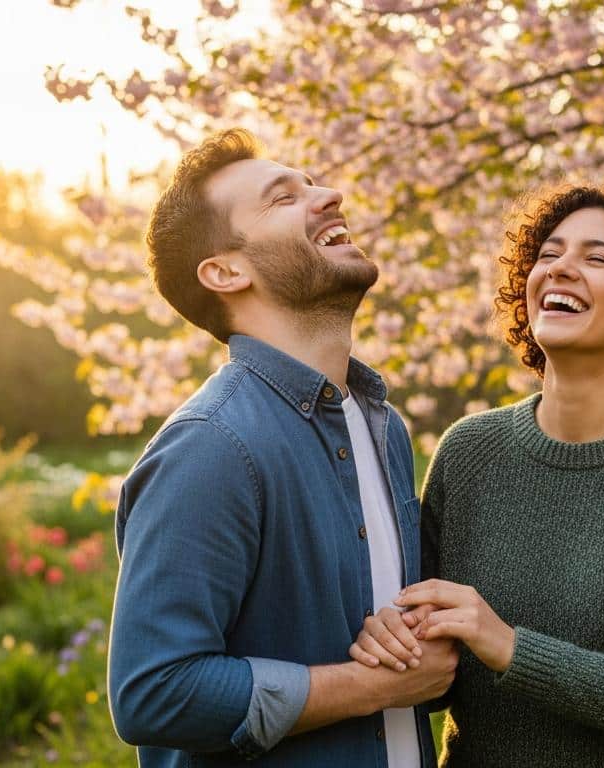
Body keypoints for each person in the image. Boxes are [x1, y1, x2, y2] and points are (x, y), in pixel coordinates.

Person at [353, 187, 604, 766]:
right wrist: (392, 642)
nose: (561, 267)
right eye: (549, 254)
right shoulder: (469, 451)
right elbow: (435, 674)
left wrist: (510, 648)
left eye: (598, 258)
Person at [107, 128, 455, 767]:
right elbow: (152, 692)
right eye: (283, 198)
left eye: (312, 182)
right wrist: (373, 686)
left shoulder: (384, 427)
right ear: (224, 270)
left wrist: (431, 639)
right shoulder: (211, 448)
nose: (330, 195)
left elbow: (406, 657)